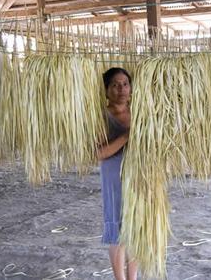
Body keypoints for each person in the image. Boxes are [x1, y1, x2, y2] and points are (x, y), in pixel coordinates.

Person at [97, 67, 138, 280]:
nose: (121, 89)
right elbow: (99, 153)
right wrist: (127, 136)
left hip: (139, 177)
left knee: (135, 229)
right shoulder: (102, 116)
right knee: (118, 233)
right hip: (115, 178)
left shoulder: (140, 112)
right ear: (106, 90)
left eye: (125, 84)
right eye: (114, 85)